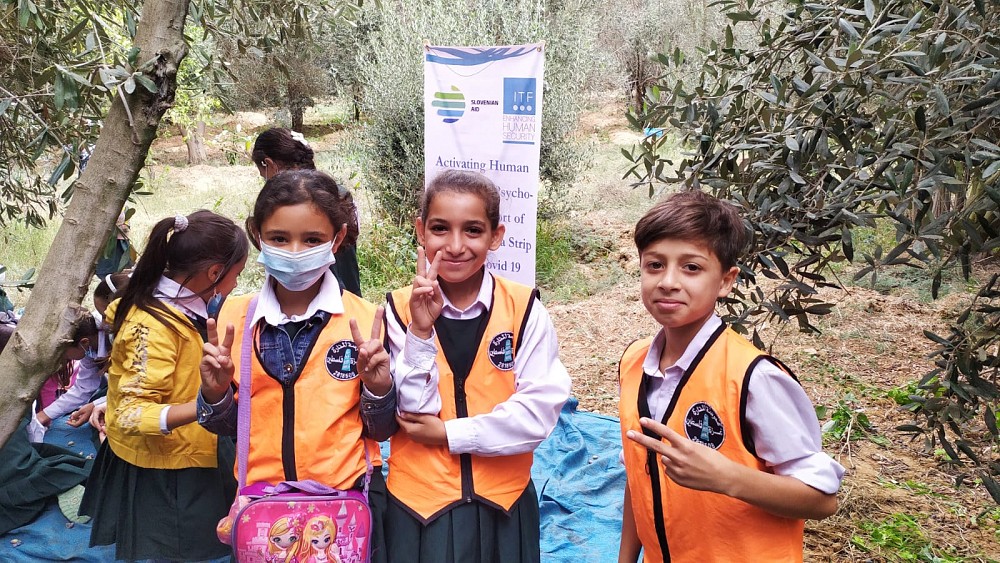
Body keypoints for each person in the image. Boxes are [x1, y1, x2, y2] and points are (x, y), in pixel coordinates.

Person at [617, 190, 845, 562]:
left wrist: (728, 478)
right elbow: (639, 476)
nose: (668, 281)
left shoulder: (754, 378)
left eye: (691, 267)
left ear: (726, 281)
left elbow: (822, 498)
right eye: (654, 265)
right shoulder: (634, 362)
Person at [197, 169, 396, 563]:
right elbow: (223, 426)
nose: (293, 252)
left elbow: (382, 428)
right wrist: (215, 392)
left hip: (343, 505)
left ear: (336, 239)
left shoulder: (364, 321)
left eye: (312, 240)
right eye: (279, 238)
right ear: (257, 235)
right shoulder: (234, 321)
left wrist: (378, 387)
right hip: (262, 508)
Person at [383, 169, 571, 563]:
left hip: (504, 503)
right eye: (439, 228)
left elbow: (536, 414)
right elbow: (415, 415)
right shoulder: (397, 311)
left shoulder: (524, 310)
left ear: (496, 236)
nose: (454, 246)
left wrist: (451, 434)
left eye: (472, 230)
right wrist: (420, 330)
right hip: (420, 506)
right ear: (420, 230)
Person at [79, 210, 249, 562]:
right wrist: (207, 405)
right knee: (177, 547)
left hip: (191, 446)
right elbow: (129, 413)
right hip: (167, 467)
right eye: (237, 275)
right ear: (215, 273)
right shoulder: (153, 326)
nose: (234, 285)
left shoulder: (178, 305)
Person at [252, 127, 363, 297]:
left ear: (268, 164)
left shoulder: (278, 203)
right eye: (280, 239)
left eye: (312, 240)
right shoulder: (338, 193)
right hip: (348, 290)